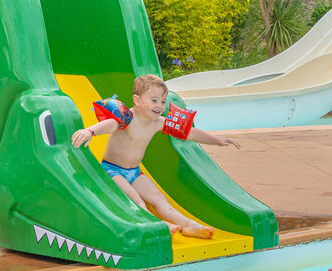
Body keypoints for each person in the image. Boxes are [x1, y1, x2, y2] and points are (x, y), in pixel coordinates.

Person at [71, 74, 240, 239]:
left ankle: (188, 225)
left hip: (135, 172)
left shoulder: (158, 122)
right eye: (154, 100)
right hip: (112, 171)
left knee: (159, 200)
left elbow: (189, 133)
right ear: (137, 100)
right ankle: (159, 226)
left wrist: (217, 141)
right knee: (135, 199)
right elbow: (110, 124)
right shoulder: (127, 118)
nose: (159, 105)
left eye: (163, 101)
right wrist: (90, 131)